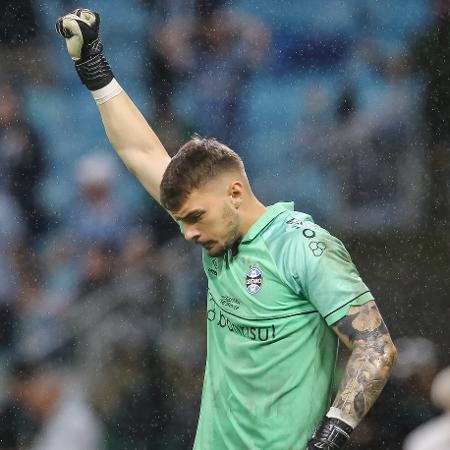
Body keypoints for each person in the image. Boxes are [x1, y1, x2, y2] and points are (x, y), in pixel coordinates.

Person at [54, 9, 398, 449]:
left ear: (235, 192)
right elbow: (141, 151)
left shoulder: (300, 245)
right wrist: (95, 70)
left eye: (194, 218)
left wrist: (329, 438)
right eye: (181, 221)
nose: (188, 235)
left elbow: (376, 347)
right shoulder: (215, 231)